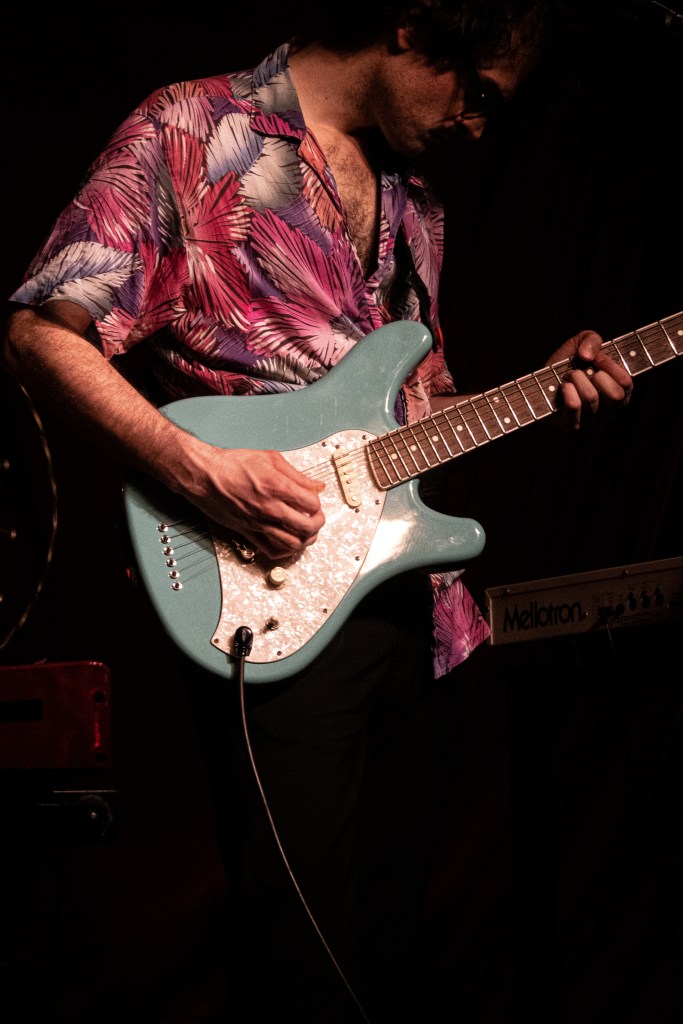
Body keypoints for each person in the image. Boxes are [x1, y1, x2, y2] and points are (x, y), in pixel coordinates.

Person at [1, 2, 633, 1021]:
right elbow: (41, 334)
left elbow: (414, 420)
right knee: (299, 969)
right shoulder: (190, 130)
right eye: (474, 92)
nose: (478, 125)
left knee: (381, 963)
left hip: (417, 611)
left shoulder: (416, 203)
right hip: (277, 591)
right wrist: (201, 472)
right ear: (412, 26)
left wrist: (538, 391)